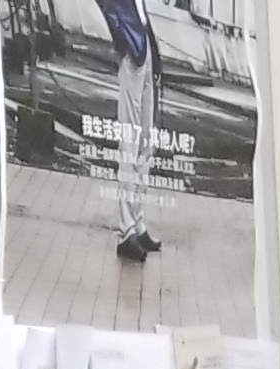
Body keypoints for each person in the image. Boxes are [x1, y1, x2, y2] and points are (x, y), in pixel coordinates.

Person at [97, 0, 158, 258]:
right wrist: (121, 35)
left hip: (145, 45)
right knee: (130, 142)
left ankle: (138, 221)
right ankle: (126, 230)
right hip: (132, 49)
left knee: (146, 142)